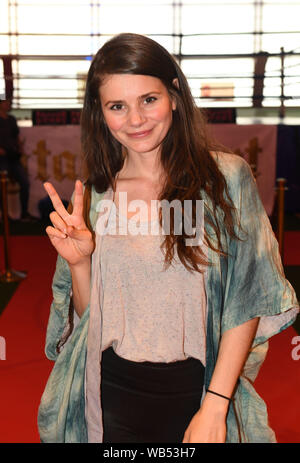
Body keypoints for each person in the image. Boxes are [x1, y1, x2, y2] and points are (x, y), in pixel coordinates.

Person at [38, 33, 299, 443]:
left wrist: (215, 404)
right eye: (117, 106)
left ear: (174, 95)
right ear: (100, 113)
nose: (136, 119)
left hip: (198, 392)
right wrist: (80, 264)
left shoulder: (225, 180)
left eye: (149, 99)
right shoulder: (96, 194)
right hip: (111, 396)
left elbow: (247, 298)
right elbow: (94, 321)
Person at [0, 97, 37, 221]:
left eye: (9, 103)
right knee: (2, 185)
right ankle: (3, 214)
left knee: (25, 182)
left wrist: (20, 148)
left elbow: (16, 136)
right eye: (5, 103)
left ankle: (24, 213)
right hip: (2, 158)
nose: (8, 105)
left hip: (14, 157)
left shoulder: (11, 119)